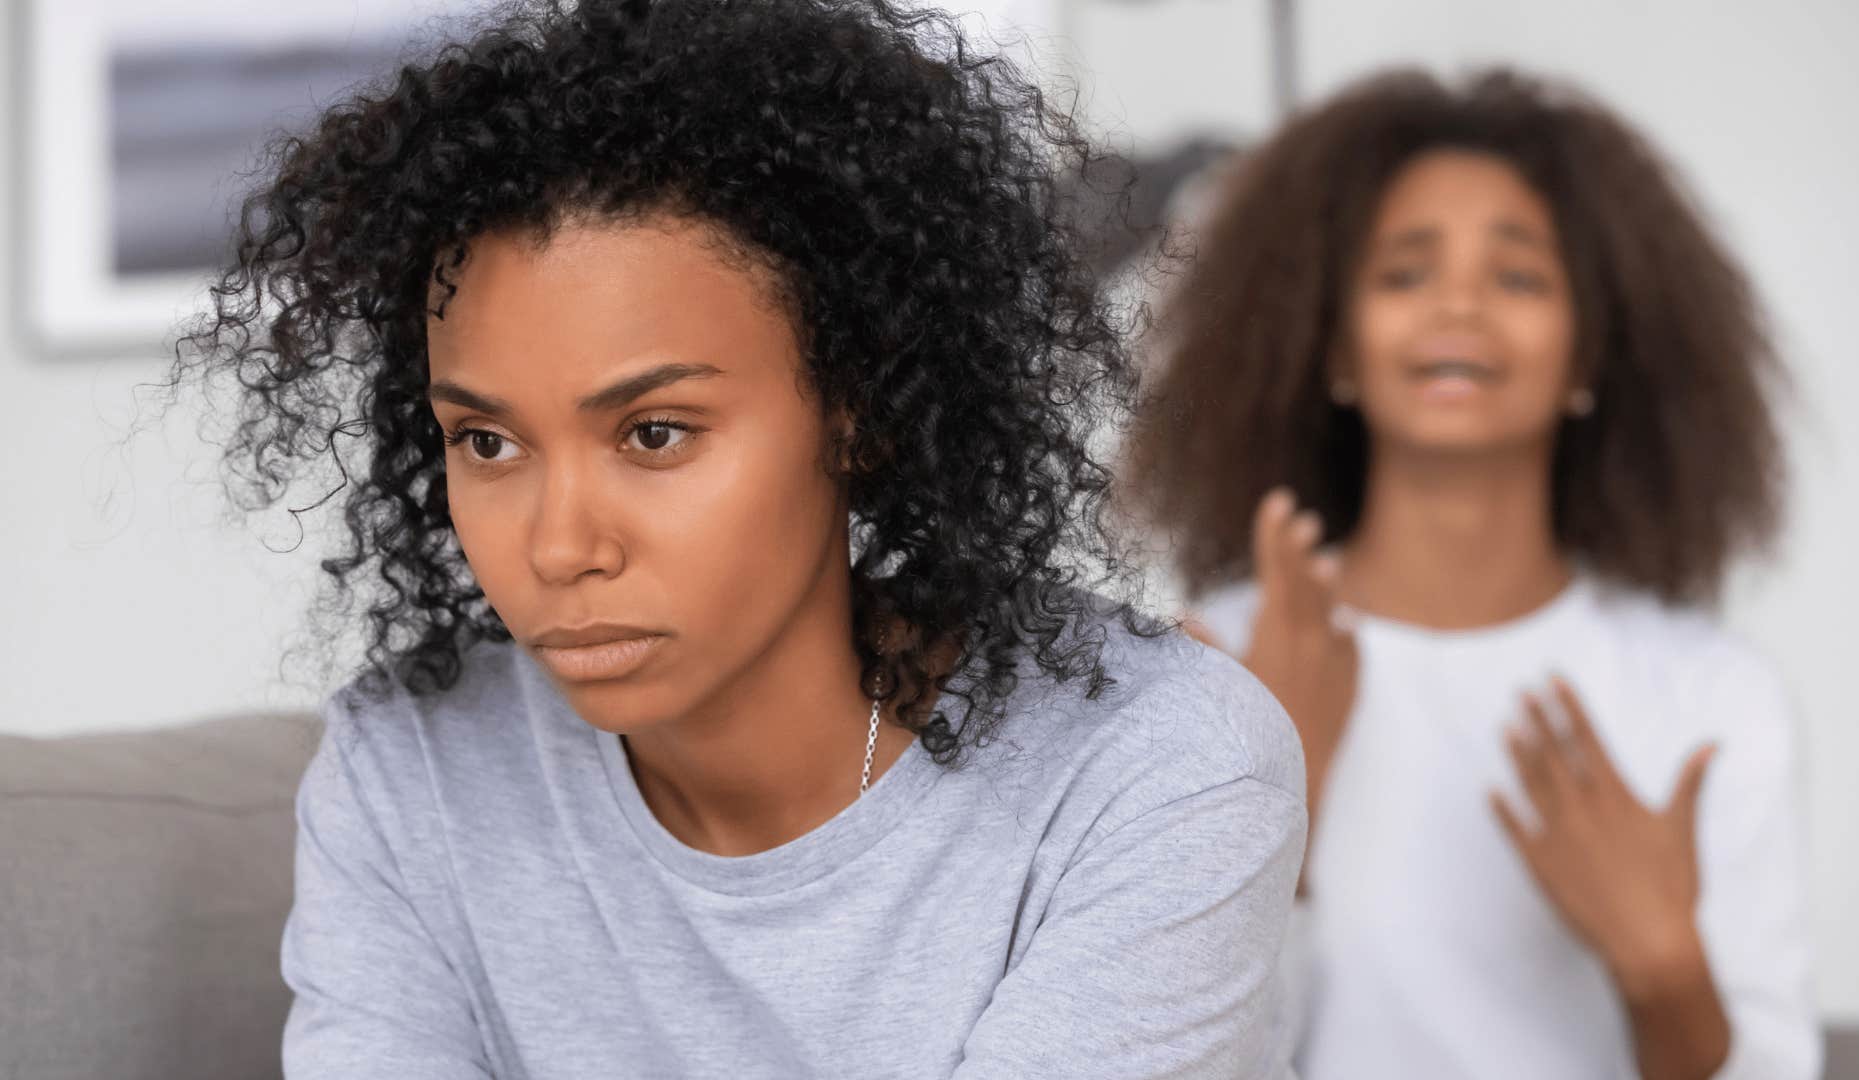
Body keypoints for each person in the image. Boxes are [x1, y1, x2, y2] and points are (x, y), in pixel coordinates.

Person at [166, 0, 1309, 1076]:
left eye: (654, 432)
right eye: (488, 444)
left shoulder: (1154, 769)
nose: (559, 546)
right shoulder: (411, 774)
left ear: (856, 409)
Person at [1131, 68, 1818, 1079]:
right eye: (1404, 274)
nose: (1458, 303)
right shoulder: (1216, 670)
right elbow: (1161, 1056)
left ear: (1589, 357)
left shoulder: (1714, 698)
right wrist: (1279, 802)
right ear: (1334, 353)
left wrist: (1666, 973)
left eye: (1520, 277)